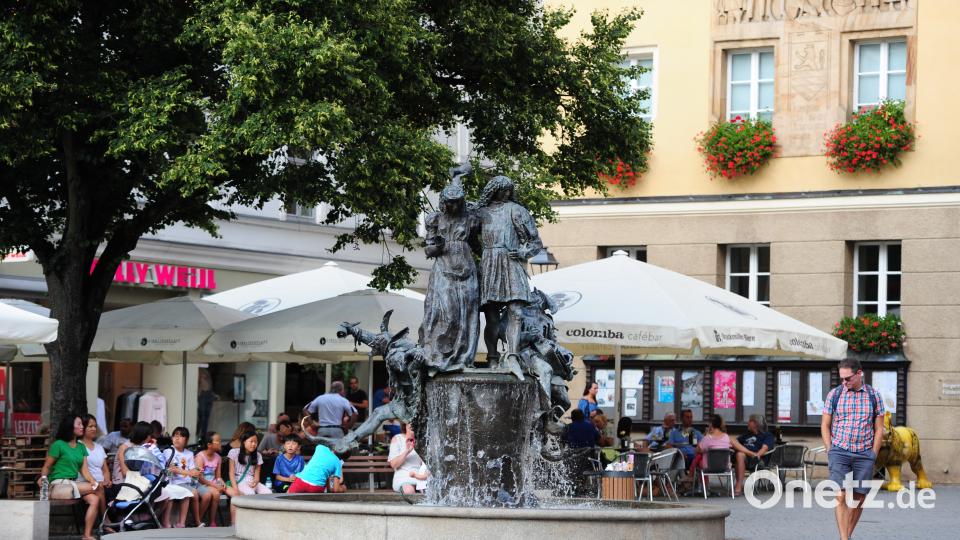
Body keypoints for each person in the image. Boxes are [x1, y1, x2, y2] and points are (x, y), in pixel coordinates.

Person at [477, 175, 544, 370]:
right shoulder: (481, 213)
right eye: (502, 190)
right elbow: (466, 234)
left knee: (516, 311)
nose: (506, 193)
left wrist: (524, 252)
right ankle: (492, 356)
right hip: (490, 265)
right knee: (492, 317)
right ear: (493, 191)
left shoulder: (517, 210)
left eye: (509, 190)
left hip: (511, 263)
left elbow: (535, 241)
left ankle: (513, 355)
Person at [419, 167, 481, 374]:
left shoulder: (470, 220)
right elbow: (428, 250)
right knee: (448, 315)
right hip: (443, 268)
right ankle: (437, 357)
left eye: (457, 203)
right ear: (443, 203)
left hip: (466, 269)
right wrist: (437, 245)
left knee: (468, 315)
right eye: (449, 203)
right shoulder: (434, 219)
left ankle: (463, 357)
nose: (453, 206)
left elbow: (476, 244)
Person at [822, 357, 884, 540]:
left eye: (847, 378)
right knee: (841, 496)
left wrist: (873, 453)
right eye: (841, 379)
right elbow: (825, 424)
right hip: (839, 451)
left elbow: (879, 428)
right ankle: (844, 539)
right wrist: (830, 449)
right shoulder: (834, 395)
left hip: (864, 453)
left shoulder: (874, 396)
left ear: (859, 374)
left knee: (859, 498)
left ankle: (846, 535)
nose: (844, 382)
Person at [39, 414, 100, 540]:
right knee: (98, 488)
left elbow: (85, 471)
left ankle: (87, 535)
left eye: (82, 424)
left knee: (95, 500)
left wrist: (92, 480)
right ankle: (104, 521)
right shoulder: (59, 445)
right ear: (70, 426)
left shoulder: (81, 446)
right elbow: (47, 466)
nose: (82, 426)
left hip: (74, 483)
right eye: (79, 424)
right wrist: (43, 479)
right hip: (59, 483)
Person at [169, 426, 211, 528]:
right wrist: (190, 473)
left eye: (180, 436)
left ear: (186, 440)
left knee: (207, 495)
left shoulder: (189, 453)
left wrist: (197, 471)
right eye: (175, 436)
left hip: (191, 481)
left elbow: (192, 470)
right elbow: (172, 469)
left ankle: (194, 519)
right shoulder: (169, 451)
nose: (177, 438)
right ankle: (197, 522)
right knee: (194, 493)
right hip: (178, 482)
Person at [226, 431, 272, 524]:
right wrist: (235, 488)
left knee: (268, 493)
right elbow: (231, 472)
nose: (254, 444)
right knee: (250, 494)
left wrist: (255, 482)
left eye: (256, 442)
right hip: (239, 480)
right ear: (244, 442)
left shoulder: (258, 455)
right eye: (251, 441)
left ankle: (263, 520)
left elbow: (257, 476)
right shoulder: (234, 452)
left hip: (251, 480)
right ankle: (249, 521)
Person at [683, 414, 731, 492]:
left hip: (709, 467)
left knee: (699, 456)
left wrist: (706, 435)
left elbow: (697, 450)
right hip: (724, 466)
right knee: (700, 457)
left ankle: (695, 481)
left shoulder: (708, 438)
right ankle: (703, 485)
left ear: (711, 424)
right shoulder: (726, 437)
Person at [731, 414, 775, 496]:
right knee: (737, 451)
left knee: (740, 455)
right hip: (745, 457)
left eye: (750, 421)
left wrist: (757, 455)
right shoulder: (747, 434)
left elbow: (764, 448)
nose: (747, 423)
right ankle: (749, 453)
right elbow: (735, 442)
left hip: (757, 460)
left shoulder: (767, 435)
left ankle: (738, 485)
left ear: (755, 423)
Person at [78, 414, 111, 515]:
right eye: (90, 426)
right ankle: (105, 521)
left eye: (95, 426)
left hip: (101, 484)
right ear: (83, 428)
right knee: (97, 495)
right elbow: (83, 470)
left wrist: (107, 480)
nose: (93, 429)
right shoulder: (78, 446)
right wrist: (97, 482)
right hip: (86, 483)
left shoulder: (99, 447)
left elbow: (105, 469)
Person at [195, 431, 225, 527]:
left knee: (216, 494)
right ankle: (198, 519)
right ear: (209, 445)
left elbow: (218, 476)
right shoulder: (200, 457)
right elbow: (200, 478)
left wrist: (221, 482)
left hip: (212, 484)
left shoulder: (218, 458)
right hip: (201, 483)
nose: (221, 443)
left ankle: (212, 521)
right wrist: (215, 485)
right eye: (218, 441)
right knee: (213, 493)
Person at [388, 423, 425, 494]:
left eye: (415, 421)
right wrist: (407, 451)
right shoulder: (397, 438)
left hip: (422, 476)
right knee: (409, 491)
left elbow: (426, 464)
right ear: (405, 425)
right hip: (403, 477)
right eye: (409, 422)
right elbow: (393, 464)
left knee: (430, 492)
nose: (412, 424)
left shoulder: (423, 440)